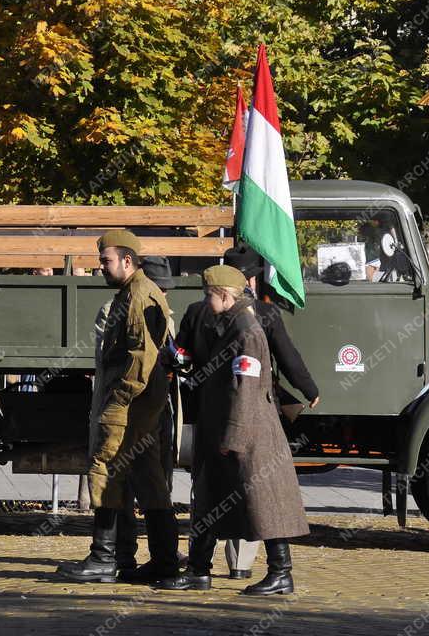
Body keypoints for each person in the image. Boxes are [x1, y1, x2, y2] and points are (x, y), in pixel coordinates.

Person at [158, 265, 309, 595]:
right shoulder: (229, 323)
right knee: (209, 498)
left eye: (208, 295)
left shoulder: (246, 331)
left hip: (245, 431)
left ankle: (281, 573)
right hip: (221, 427)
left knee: (263, 502)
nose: (204, 301)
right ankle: (199, 570)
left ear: (225, 296)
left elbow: (246, 388)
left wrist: (234, 436)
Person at [56, 230, 179, 583]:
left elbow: (142, 356)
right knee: (148, 479)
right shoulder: (134, 292)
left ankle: (104, 559)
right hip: (140, 405)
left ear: (127, 261)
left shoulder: (139, 295)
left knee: (106, 472)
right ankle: (164, 563)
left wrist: (119, 398)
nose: (101, 267)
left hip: (130, 406)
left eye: (106, 261)